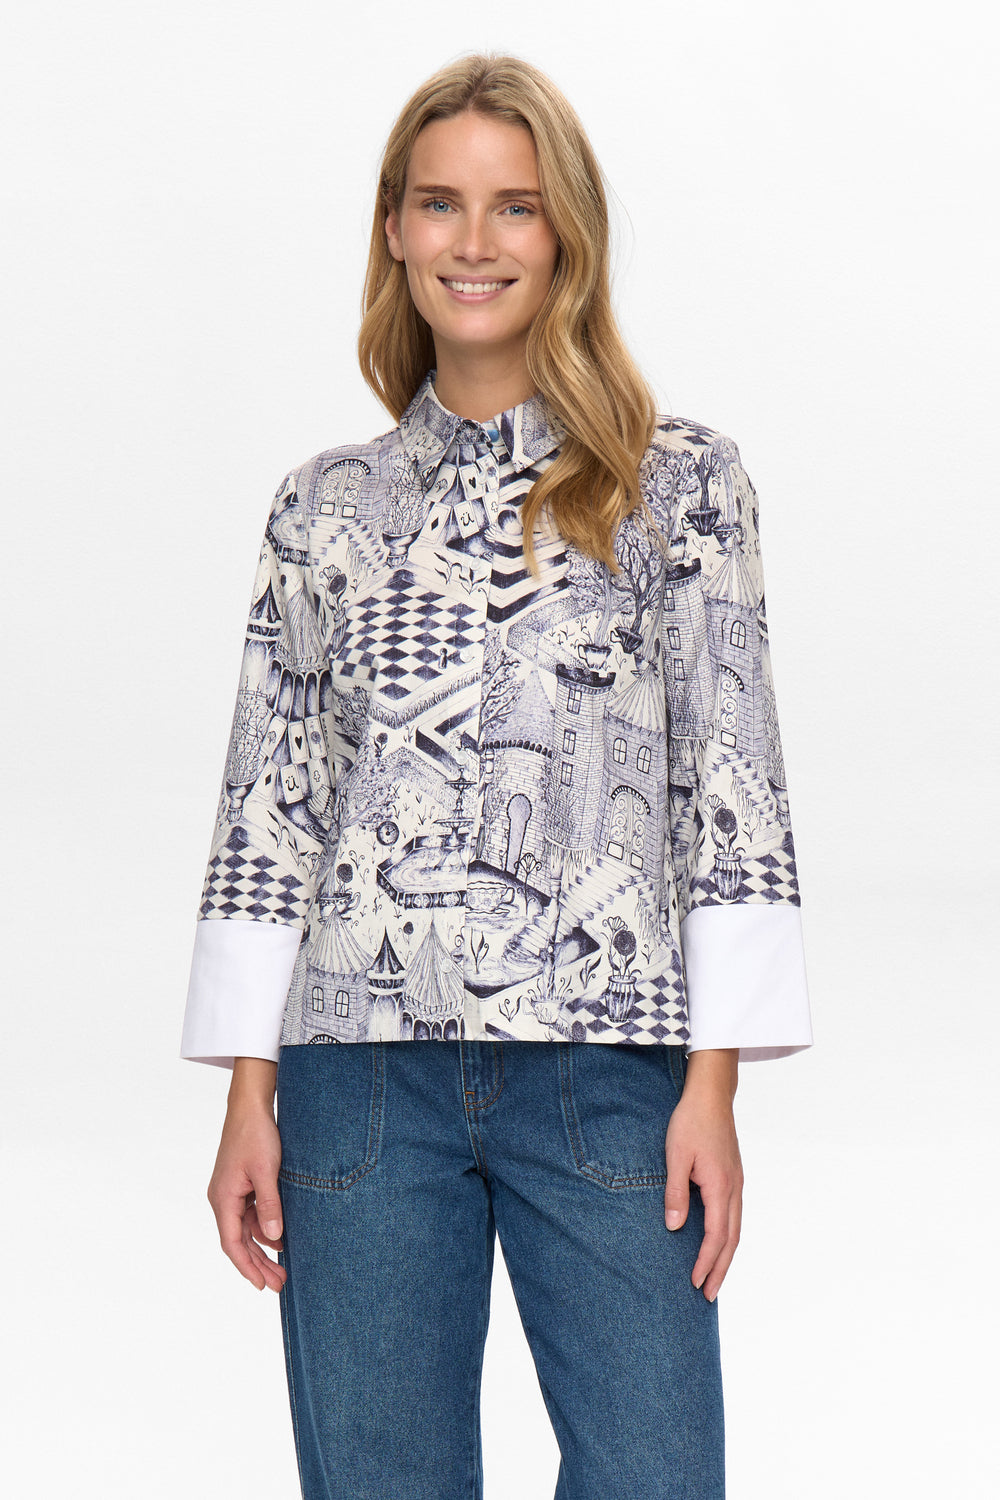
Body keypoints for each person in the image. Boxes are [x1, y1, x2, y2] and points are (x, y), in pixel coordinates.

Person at [180, 51, 813, 1500]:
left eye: (515, 206)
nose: (475, 242)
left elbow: (734, 789)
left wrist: (714, 1086)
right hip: (357, 1082)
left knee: (655, 1474)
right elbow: (271, 805)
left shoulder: (679, 487)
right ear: (395, 230)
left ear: (565, 234)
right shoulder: (323, 509)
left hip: (609, 1069)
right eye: (441, 204)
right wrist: (246, 1093)